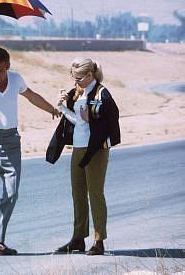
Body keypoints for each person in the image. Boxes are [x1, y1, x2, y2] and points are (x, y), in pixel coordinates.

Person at [0, 47, 60, 255]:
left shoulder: (16, 79)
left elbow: (32, 96)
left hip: (10, 142)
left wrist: (52, 109)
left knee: (11, 192)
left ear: (8, 66)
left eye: (0, 70)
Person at [54, 57, 120, 256]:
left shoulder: (102, 93)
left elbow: (112, 119)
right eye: (73, 78)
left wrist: (93, 119)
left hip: (97, 149)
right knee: (78, 194)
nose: (75, 83)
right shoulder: (77, 93)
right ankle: (78, 238)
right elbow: (78, 122)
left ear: (90, 75)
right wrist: (63, 108)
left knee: (95, 194)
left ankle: (99, 240)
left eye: (79, 79)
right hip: (79, 147)